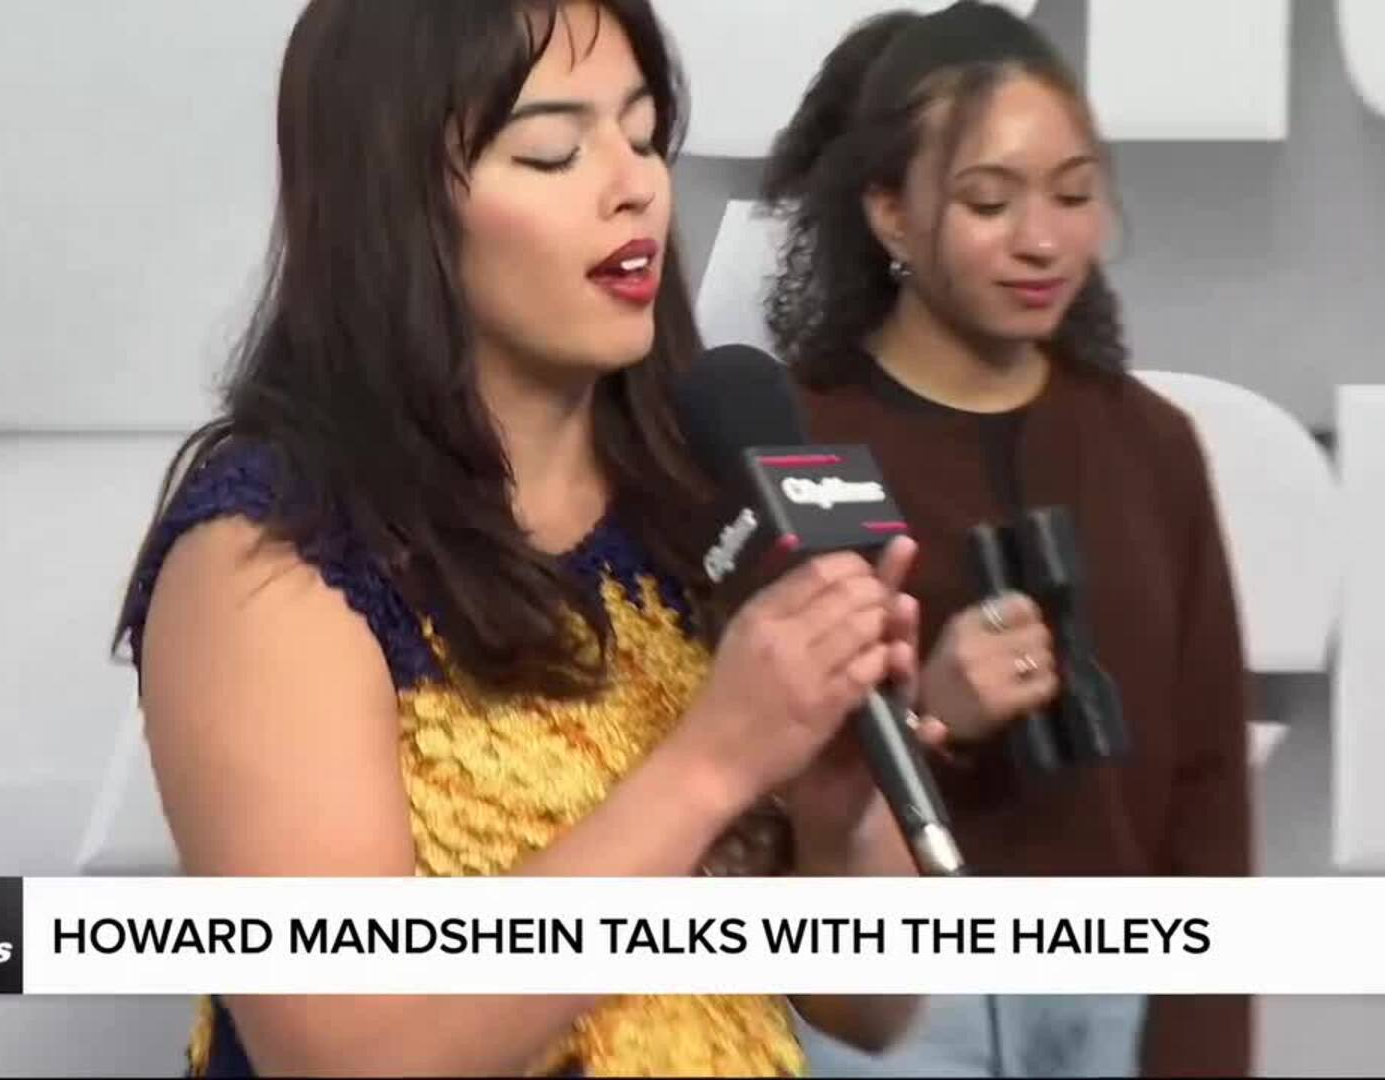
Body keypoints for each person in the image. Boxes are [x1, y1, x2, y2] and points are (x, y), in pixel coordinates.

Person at [113, 1, 932, 1075]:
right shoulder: (268, 554)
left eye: (644, 136)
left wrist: (837, 820)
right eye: (552, 152)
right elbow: (347, 1052)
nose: (634, 186)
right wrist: (714, 764)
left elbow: (868, 1010)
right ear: (396, 203)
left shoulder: (696, 500)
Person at [758, 3, 1256, 1077]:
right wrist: (932, 721)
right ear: (890, 214)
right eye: (990, 201)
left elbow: (1209, 793)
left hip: (1119, 998)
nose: (1043, 240)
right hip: (889, 1013)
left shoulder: (1153, 448)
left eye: (1074, 195)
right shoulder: (799, 446)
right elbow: (763, 789)